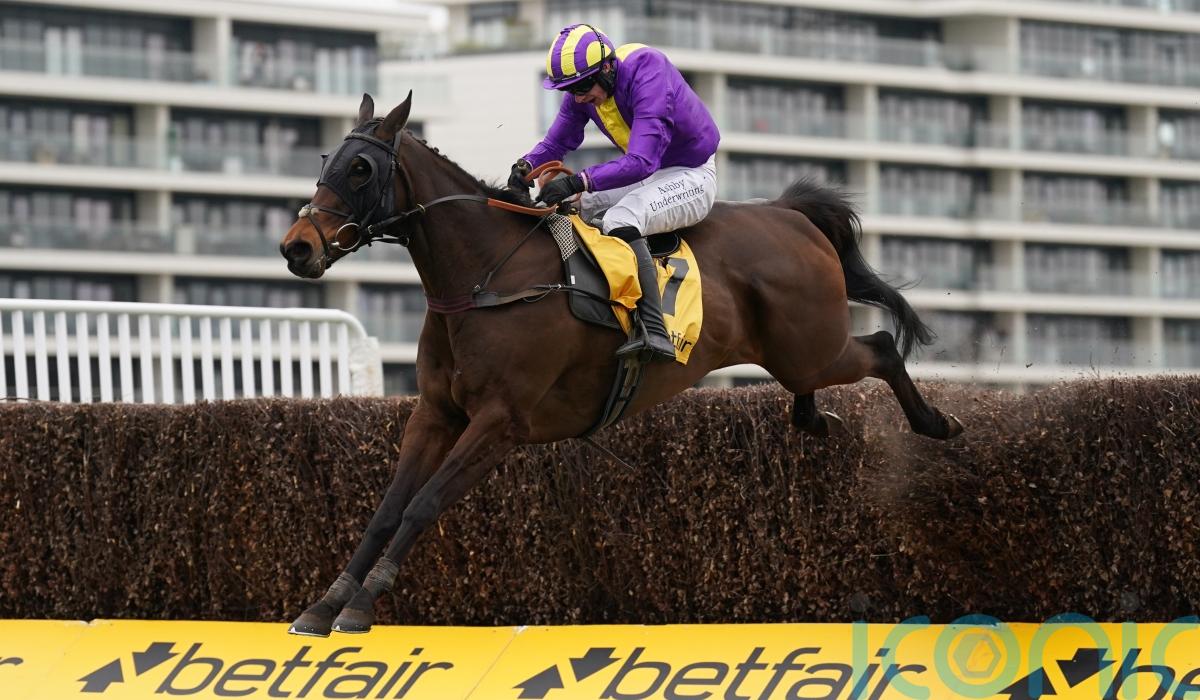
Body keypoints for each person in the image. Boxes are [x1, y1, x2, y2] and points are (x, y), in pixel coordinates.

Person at [508, 24, 720, 362]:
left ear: (607, 68)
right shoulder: (585, 88)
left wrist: (578, 180)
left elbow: (642, 161)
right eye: (570, 90)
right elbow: (556, 143)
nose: (578, 97)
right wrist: (525, 167)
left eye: (582, 87)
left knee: (620, 217)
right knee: (572, 205)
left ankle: (655, 329)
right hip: (648, 174)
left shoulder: (648, 72)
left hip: (691, 173)